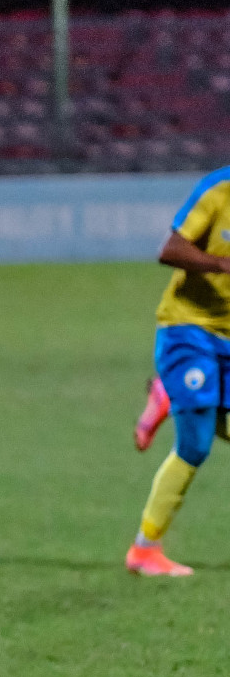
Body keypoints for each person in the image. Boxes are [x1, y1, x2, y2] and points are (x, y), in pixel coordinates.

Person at [125, 166, 230, 576]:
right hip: (188, 329)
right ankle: (145, 550)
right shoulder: (218, 189)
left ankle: (168, 396)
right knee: (196, 444)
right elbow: (169, 249)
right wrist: (222, 265)